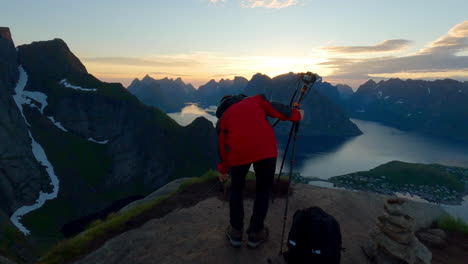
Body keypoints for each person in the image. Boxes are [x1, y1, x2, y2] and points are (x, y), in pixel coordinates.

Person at [216, 94, 304, 248]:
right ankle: (255, 234)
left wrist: (223, 170)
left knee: (237, 189)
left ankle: (236, 232)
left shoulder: (222, 120)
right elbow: (278, 110)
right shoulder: (255, 100)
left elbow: (223, 149)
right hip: (266, 149)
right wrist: (297, 114)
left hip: (239, 152)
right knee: (263, 191)